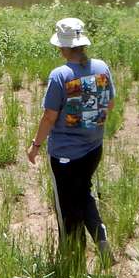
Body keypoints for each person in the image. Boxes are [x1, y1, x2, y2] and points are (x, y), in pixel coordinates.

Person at [27, 17, 115, 263]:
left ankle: (72, 260)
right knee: (83, 192)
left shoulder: (60, 75)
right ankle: (100, 235)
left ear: (64, 47)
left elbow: (49, 117)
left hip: (66, 155)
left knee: (67, 208)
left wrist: (35, 146)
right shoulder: (101, 68)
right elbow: (110, 103)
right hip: (94, 148)